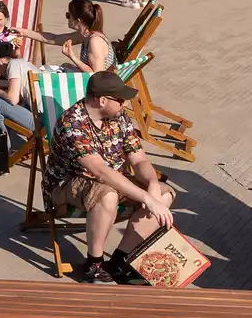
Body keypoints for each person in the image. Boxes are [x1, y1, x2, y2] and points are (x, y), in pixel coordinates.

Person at [41, 71, 175, 283]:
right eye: (120, 100)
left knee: (164, 194)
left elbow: (139, 160)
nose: (124, 104)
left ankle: (118, 261)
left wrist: (151, 186)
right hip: (67, 185)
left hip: (111, 179)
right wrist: (146, 199)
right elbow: (100, 171)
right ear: (102, 100)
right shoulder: (72, 123)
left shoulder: (118, 116)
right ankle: (93, 264)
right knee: (108, 194)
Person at [12, 0, 113, 73]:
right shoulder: (84, 35)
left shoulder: (95, 41)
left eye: (68, 15)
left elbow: (97, 75)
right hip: (94, 82)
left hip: (102, 90)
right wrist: (23, 32)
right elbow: (53, 39)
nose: (67, 18)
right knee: (63, 67)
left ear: (78, 21)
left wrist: (72, 56)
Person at [0, 40, 37, 137]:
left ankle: (2, 147)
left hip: (44, 126)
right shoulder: (24, 63)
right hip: (57, 122)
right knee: (9, 104)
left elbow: (13, 99)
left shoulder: (13, 66)